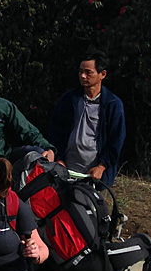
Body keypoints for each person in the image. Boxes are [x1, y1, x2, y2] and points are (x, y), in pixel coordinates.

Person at [47, 51, 126, 186]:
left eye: (88, 72)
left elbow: (116, 139)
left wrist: (102, 166)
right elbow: (56, 129)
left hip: (94, 174)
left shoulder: (112, 104)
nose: (83, 76)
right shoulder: (70, 99)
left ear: (102, 74)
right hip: (66, 169)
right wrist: (58, 157)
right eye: (80, 72)